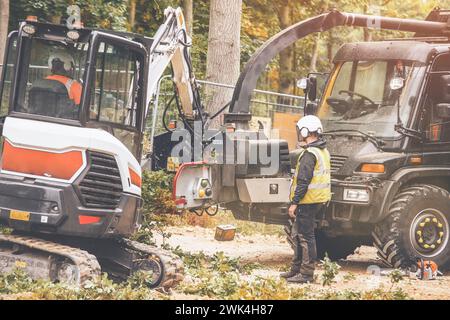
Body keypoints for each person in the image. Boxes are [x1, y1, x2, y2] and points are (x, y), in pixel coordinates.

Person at [281, 115, 331, 284]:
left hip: (307, 201)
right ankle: (296, 269)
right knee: (297, 234)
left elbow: (303, 181)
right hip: (315, 200)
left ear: (305, 131)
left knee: (305, 236)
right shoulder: (322, 151)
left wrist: (294, 202)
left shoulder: (310, 154)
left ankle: (306, 273)